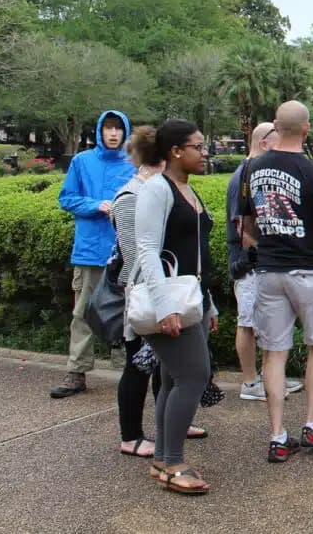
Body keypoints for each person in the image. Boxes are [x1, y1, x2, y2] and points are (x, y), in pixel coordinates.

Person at [240, 101, 313, 463]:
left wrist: (267, 244)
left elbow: (246, 227)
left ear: (276, 129)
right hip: (309, 271)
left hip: (269, 273)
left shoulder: (252, 170)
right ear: (306, 128)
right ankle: (312, 424)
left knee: (274, 353)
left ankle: (277, 435)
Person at [132, 119, 218, 495]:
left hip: (190, 299)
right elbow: (147, 250)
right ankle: (174, 462)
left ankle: (163, 460)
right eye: (198, 147)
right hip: (169, 300)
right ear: (175, 151)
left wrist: (208, 306)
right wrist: (166, 305)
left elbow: (195, 256)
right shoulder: (157, 189)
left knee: (172, 379)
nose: (205, 153)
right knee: (194, 376)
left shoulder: (186, 189)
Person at [51, 110, 135, 398]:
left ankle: (129, 373)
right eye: (108, 128)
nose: (113, 133)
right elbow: (66, 198)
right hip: (89, 251)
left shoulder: (134, 164)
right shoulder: (82, 161)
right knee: (82, 313)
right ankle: (76, 372)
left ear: (125, 132)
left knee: (128, 313)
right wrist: (96, 205)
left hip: (126, 251)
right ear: (99, 131)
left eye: (118, 128)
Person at [226, 122, 301, 401]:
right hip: (248, 265)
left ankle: (271, 377)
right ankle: (249, 382)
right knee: (246, 321)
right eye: (279, 139)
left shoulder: (258, 173)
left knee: (268, 321)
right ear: (264, 142)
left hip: (263, 262)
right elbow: (242, 230)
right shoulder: (242, 177)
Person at [112, 126, 164, 459]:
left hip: (161, 288)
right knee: (138, 364)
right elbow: (136, 256)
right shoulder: (131, 196)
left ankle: (168, 422)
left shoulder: (159, 188)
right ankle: (130, 436)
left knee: (164, 364)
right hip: (143, 292)